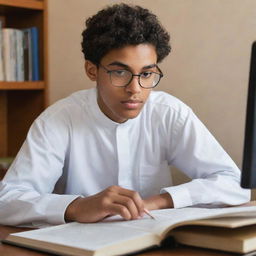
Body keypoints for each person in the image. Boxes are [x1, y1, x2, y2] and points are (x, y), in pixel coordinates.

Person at [0, 3, 250, 226]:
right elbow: (7, 200)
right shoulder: (58, 120)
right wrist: (76, 207)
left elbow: (234, 184)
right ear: (92, 70)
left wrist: (158, 202)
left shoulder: (169, 113)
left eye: (147, 73)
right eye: (119, 72)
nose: (135, 89)